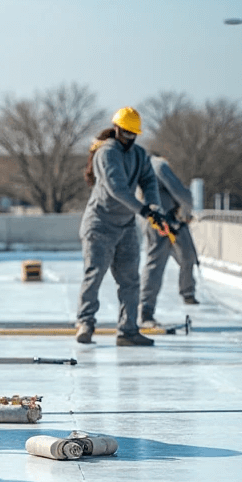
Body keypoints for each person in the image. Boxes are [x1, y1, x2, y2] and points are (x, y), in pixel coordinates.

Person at [76, 107, 168, 347]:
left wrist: (154, 207)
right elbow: (117, 189)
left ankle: (128, 330)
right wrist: (143, 210)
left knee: (130, 280)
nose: (130, 138)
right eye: (126, 133)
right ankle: (85, 323)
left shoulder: (139, 154)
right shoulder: (106, 153)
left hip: (125, 226)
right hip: (100, 224)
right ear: (117, 129)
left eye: (133, 134)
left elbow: (149, 181)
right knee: (94, 274)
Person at [139, 155, 200, 326]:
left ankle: (186, 292)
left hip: (161, 220)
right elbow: (182, 193)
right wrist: (186, 213)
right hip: (165, 221)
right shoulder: (159, 166)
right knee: (156, 264)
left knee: (184, 256)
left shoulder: (139, 165)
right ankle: (146, 310)